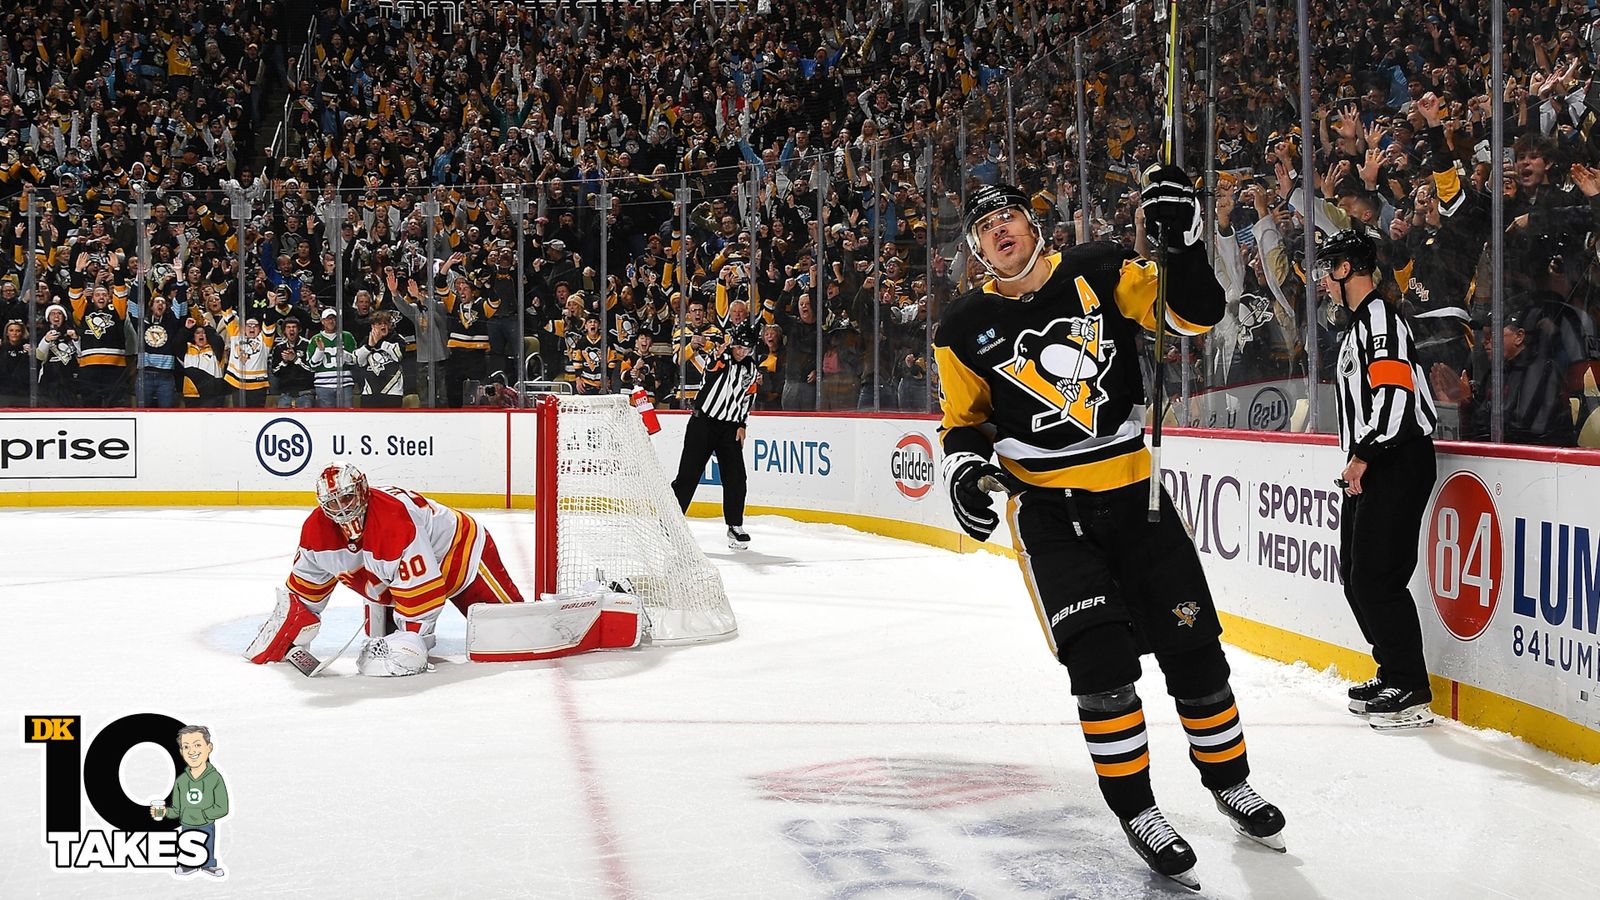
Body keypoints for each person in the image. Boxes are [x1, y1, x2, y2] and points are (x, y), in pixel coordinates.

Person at [932, 174, 1285, 888]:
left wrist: (1182, 243)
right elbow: (963, 427)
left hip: (1137, 499)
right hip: (1051, 516)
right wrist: (964, 474)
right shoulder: (962, 327)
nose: (1001, 228)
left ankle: (1229, 781)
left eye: (1011, 214)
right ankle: (1139, 810)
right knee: (1101, 672)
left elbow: (1195, 314)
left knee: (1195, 653)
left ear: (1036, 226)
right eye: (985, 226)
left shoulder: (1099, 267)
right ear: (976, 251)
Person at [1318, 230, 1440, 731]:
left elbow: (1394, 395)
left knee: (1377, 577)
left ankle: (1410, 687)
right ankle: (1392, 670)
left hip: (1396, 458)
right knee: (1354, 575)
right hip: (1373, 460)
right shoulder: (1355, 328)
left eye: (1330, 269)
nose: (1324, 280)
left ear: (1348, 268)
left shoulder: (1381, 319)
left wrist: (1364, 455)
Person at [245, 463, 527, 677]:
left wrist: (414, 639)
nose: (341, 510)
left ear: (363, 491)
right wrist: (292, 631)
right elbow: (304, 596)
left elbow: (422, 597)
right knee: (378, 636)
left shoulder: (393, 521)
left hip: (458, 554)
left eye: (346, 499)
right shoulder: (315, 533)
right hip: (391, 577)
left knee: (512, 636)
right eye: (332, 503)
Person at [671, 322, 762, 550]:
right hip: (703, 423)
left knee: (736, 478)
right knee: (688, 475)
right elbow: (709, 374)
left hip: (729, 428)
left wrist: (742, 424)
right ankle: (670, 522)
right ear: (733, 343)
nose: (742, 352)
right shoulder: (720, 357)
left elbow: (747, 398)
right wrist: (719, 357)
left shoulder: (750, 369)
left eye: (747, 349)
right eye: (740, 347)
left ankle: (735, 525)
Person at [151, 725, 228, 878]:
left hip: (206, 824)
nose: (192, 751)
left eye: (197, 745)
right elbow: (177, 810)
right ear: (181, 752)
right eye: (186, 747)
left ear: (209, 747)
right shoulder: (182, 781)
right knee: (188, 847)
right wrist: (165, 812)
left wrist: (202, 814)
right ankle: (187, 864)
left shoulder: (215, 778)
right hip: (186, 825)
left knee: (207, 844)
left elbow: (222, 807)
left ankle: (209, 865)